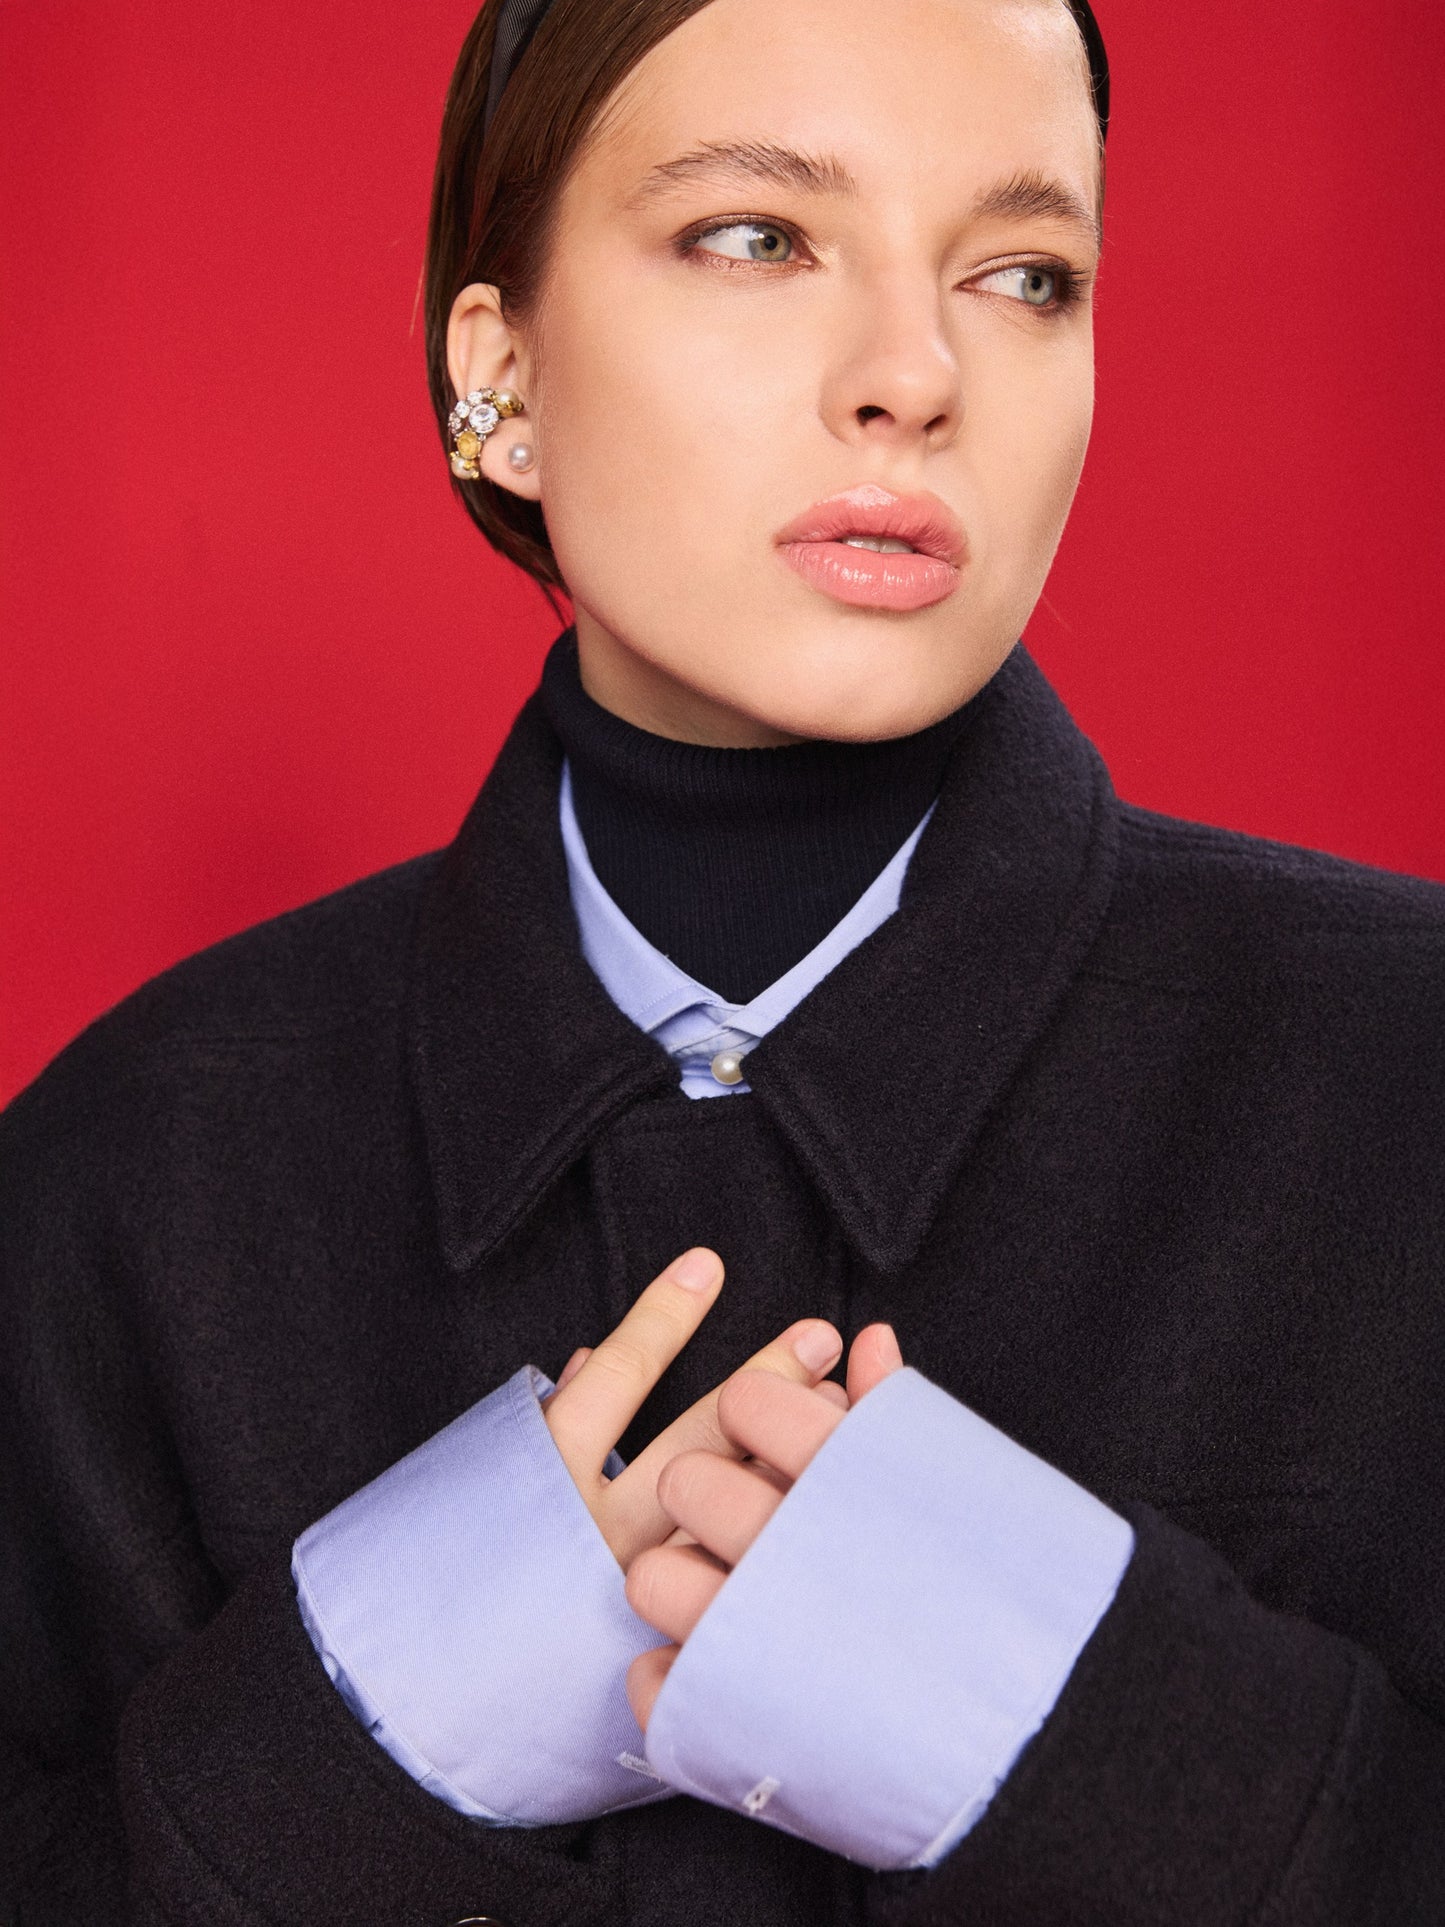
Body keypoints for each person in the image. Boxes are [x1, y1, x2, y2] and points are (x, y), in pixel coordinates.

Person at [2, 0, 1443, 1919]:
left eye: (1024, 274)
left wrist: (1134, 1754)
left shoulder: (1401, 1087)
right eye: (757, 237)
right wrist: (350, 1742)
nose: (914, 375)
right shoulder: (133, 1174)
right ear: (496, 368)